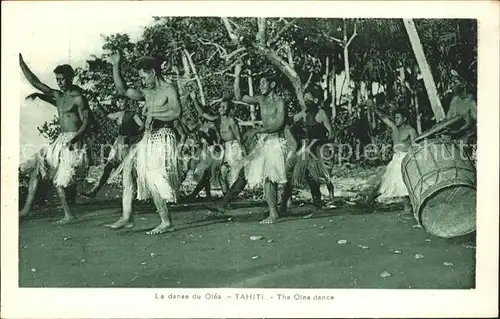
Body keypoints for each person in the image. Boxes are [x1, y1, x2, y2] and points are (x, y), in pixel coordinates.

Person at [105, 52, 181, 235]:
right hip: (148, 138)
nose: (142, 81)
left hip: (163, 137)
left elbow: (176, 113)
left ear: (153, 72)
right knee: (129, 170)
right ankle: (127, 216)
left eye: (144, 76)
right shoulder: (146, 93)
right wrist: (116, 65)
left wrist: (155, 115)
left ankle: (165, 221)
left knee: (154, 179)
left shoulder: (169, 89)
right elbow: (123, 90)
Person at [18, 54, 91, 224]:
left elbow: (86, 123)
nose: (60, 83)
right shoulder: (59, 96)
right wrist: (21, 65)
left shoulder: (78, 98)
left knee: (60, 180)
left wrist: (75, 139)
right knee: (38, 167)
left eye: (63, 79)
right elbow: (37, 83)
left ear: (71, 78)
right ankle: (26, 209)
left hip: (74, 141)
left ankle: (69, 215)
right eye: (58, 80)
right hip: (60, 141)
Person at [283, 89, 335, 217]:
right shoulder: (304, 113)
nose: (306, 101)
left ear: (316, 100)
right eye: (304, 98)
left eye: (309, 98)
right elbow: (291, 120)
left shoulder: (321, 113)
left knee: (316, 177)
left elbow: (331, 132)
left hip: (318, 149)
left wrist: (323, 142)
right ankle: (284, 203)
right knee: (293, 174)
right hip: (306, 148)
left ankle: (318, 203)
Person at [189, 89, 247, 194]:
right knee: (221, 174)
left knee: (234, 174)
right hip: (224, 147)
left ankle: (230, 196)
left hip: (234, 147)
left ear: (229, 108)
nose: (221, 108)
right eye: (220, 106)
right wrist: (194, 99)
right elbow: (202, 114)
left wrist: (243, 150)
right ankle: (226, 197)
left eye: (224, 106)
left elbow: (239, 137)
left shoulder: (231, 121)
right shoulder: (217, 119)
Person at [81, 107, 144, 198]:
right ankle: (95, 190)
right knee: (108, 167)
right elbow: (107, 115)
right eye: (119, 100)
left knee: (129, 169)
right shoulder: (119, 114)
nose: (120, 102)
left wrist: (132, 133)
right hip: (118, 143)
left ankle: (135, 193)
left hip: (127, 143)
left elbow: (142, 125)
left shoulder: (133, 114)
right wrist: (97, 109)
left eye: (122, 100)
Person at [365, 102, 417, 212]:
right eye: (395, 117)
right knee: (385, 183)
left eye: (398, 117)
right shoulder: (394, 128)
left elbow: (415, 146)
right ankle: (368, 204)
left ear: (405, 118)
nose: (396, 119)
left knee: (404, 186)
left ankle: (408, 207)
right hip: (395, 159)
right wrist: (374, 107)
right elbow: (383, 117)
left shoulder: (410, 130)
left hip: (406, 158)